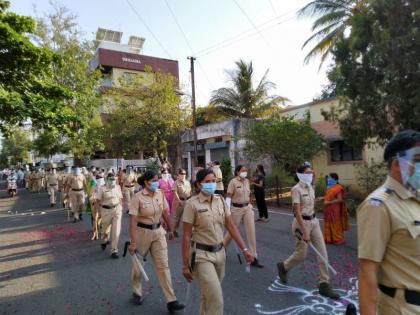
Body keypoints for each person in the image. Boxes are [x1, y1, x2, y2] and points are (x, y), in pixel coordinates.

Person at [358, 130, 420, 315]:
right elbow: (367, 272)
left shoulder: (415, 198)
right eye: (417, 160)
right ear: (396, 163)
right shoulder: (378, 206)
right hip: (404, 308)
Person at [182, 168, 254, 315]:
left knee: (208, 296)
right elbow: (186, 236)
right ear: (198, 185)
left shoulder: (220, 200)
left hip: (220, 254)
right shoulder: (192, 204)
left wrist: (244, 249)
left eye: (213, 181)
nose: (211, 184)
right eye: (207, 182)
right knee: (216, 300)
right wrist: (185, 265)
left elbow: (231, 226)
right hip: (202, 256)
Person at [276, 164, 339, 299]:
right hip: (301, 223)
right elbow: (297, 211)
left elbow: (313, 178)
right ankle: (284, 266)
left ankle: (324, 284)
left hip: (314, 221)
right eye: (307, 172)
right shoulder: (296, 189)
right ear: (300, 175)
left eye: (311, 172)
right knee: (301, 254)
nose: (310, 174)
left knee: (322, 252)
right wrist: (304, 232)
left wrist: (312, 173)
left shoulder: (311, 187)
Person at [127, 171, 185, 313]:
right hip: (142, 233)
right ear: (146, 182)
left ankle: (171, 300)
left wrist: (170, 229)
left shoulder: (160, 194)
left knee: (163, 266)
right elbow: (133, 221)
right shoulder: (137, 197)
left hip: (158, 232)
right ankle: (136, 290)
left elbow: (165, 213)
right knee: (138, 266)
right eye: (154, 180)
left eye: (157, 180)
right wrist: (133, 242)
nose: (157, 182)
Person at [223, 165, 264, 268]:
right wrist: (227, 208)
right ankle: (222, 249)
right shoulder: (233, 182)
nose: (245, 172)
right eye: (243, 170)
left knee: (251, 231)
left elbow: (249, 194)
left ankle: (253, 257)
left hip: (247, 208)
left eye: (246, 170)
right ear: (237, 172)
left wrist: (250, 203)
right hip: (236, 209)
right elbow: (228, 195)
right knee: (232, 232)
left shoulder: (246, 181)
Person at [96, 173, 123, 258]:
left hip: (117, 210)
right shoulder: (102, 188)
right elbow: (97, 201)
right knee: (104, 229)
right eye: (111, 179)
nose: (113, 181)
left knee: (116, 230)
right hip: (105, 210)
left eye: (114, 179)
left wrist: (121, 207)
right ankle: (104, 240)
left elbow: (120, 198)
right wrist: (98, 213)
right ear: (107, 180)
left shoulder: (118, 187)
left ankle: (114, 250)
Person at [323, 173, 349, 244]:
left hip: (334, 208)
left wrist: (328, 202)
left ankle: (337, 238)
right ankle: (329, 238)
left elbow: (339, 199)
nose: (328, 179)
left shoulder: (338, 188)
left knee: (335, 223)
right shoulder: (329, 187)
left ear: (334, 179)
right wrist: (322, 198)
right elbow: (328, 197)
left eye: (329, 178)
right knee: (329, 222)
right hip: (328, 208)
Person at [172, 169, 192, 238]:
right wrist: (179, 201)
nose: (183, 175)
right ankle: (174, 230)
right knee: (177, 218)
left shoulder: (187, 182)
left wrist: (191, 199)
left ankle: (190, 231)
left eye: (184, 173)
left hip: (188, 201)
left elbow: (190, 191)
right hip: (180, 201)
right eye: (182, 173)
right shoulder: (176, 182)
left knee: (189, 217)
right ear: (179, 175)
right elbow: (175, 192)